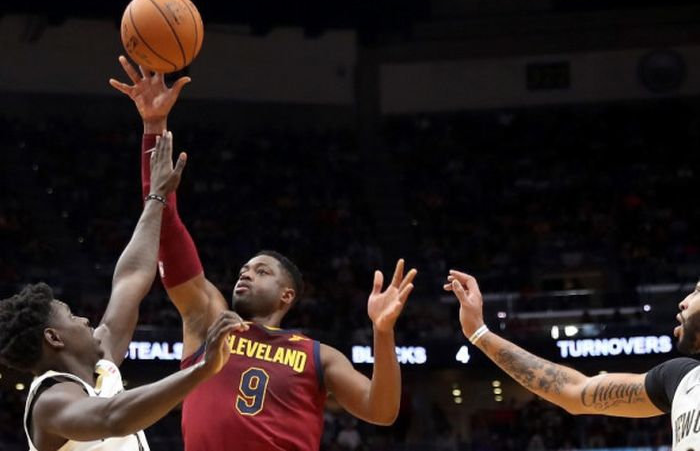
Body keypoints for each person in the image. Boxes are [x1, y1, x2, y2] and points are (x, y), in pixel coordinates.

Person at [109, 55, 417, 451]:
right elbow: (165, 231)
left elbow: (383, 409)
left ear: (287, 295)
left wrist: (383, 332)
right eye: (245, 268)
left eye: (261, 270)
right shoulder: (211, 323)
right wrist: (154, 127)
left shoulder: (317, 356)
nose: (246, 273)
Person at [0, 132, 249, 451]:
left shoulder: (101, 367)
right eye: (72, 316)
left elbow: (131, 278)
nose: (86, 320)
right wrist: (202, 370)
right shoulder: (50, 400)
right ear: (54, 338)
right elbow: (113, 417)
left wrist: (157, 197)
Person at [445, 269, 700, 450]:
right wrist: (479, 333)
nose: (683, 302)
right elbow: (574, 391)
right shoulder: (679, 379)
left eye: (697, 291)